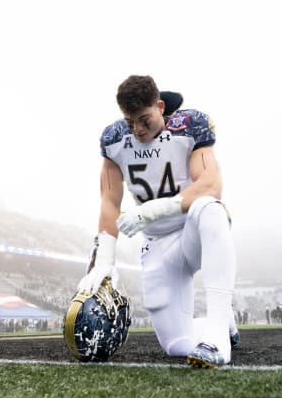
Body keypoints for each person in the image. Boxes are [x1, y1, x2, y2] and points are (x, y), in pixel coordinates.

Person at [76, 75, 237, 368]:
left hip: (192, 230)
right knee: (178, 345)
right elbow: (110, 201)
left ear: (160, 107)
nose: (137, 129)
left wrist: (151, 210)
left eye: (144, 120)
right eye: (130, 121)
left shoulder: (189, 127)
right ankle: (220, 319)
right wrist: (105, 260)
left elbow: (211, 185)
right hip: (157, 246)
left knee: (211, 209)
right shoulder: (114, 140)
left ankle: (217, 339)